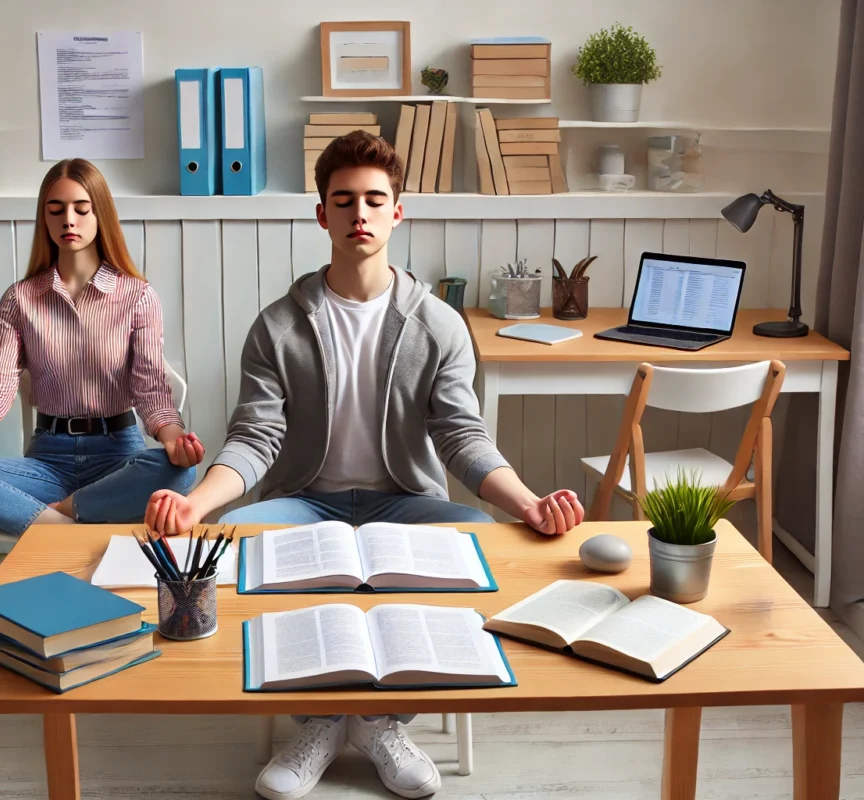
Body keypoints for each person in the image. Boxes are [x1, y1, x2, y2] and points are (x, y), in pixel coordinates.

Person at [143, 131, 584, 800]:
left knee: (472, 533)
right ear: (321, 213)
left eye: (375, 200)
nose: (360, 214)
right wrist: (196, 505)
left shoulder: (437, 323)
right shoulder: (277, 326)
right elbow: (256, 437)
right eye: (343, 200)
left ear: (397, 212)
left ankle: (380, 721)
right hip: (305, 498)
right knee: (240, 545)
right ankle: (320, 720)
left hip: (404, 499)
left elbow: (461, 435)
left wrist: (527, 504)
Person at [0, 158, 203, 535]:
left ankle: (58, 517)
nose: (68, 220)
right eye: (55, 210)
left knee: (179, 474)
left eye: (81, 209)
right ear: (44, 218)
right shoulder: (20, 299)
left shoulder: (137, 296)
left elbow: (150, 389)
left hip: (118, 459)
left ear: (100, 214)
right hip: (47, 463)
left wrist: (175, 443)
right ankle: (62, 527)